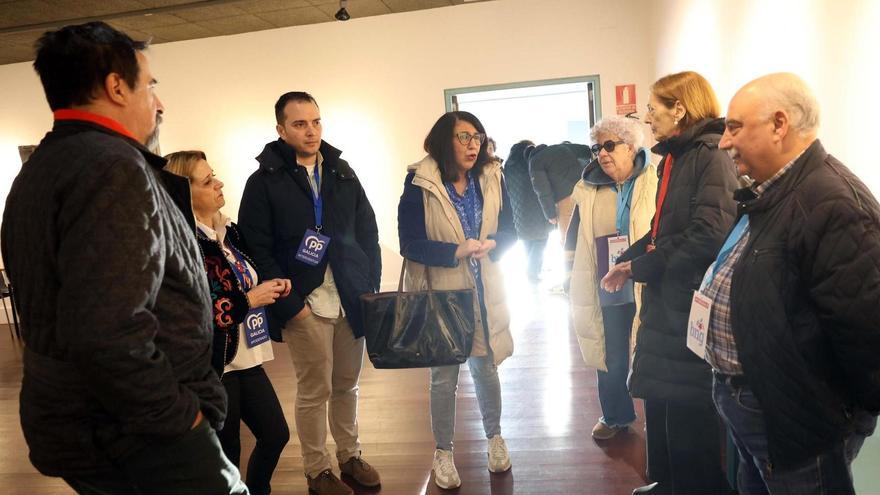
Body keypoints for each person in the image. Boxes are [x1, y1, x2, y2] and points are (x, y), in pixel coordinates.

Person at [0, 22, 247, 494]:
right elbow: (107, 330)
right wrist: (184, 420)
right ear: (116, 86)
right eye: (150, 84)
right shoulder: (112, 168)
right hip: (136, 435)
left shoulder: (39, 171)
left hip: (86, 423)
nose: (159, 102)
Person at [700, 73, 880, 495]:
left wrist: (836, 421)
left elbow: (868, 337)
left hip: (794, 421)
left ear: (779, 125)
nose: (724, 142)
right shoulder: (776, 191)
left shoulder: (832, 204)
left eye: (734, 127)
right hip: (759, 406)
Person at [601, 71, 738, 495]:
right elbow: (663, 228)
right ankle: (669, 484)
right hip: (669, 299)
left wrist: (643, 265)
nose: (645, 116)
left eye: (653, 107)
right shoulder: (678, 155)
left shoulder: (709, 153)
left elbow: (709, 234)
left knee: (688, 413)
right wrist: (631, 258)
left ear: (679, 108)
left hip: (687, 302)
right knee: (663, 404)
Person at [238, 91, 381, 495]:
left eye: (316, 122)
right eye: (300, 124)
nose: (311, 131)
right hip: (305, 302)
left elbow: (368, 230)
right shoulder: (264, 181)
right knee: (314, 389)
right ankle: (317, 469)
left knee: (347, 384)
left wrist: (369, 284)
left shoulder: (341, 172)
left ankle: (349, 455)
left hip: (349, 297)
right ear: (281, 129)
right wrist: (289, 305)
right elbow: (256, 248)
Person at [398, 111, 516, 490]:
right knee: (443, 377)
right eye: (463, 137)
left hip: (485, 289)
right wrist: (455, 250)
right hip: (443, 293)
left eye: (477, 137)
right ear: (443, 140)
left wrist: (494, 244)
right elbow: (409, 243)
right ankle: (443, 452)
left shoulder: (492, 176)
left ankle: (495, 438)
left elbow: (512, 228)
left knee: (487, 367)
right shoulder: (420, 180)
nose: (472, 145)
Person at [165, 150, 292, 495]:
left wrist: (271, 284)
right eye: (207, 181)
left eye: (214, 175)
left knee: (275, 434)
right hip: (215, 364)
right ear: (183, 193)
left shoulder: (228, 232)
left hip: (246, 357)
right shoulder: (181, 246)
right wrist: (251, 299)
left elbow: (245, 277)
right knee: (228, 450)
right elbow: (197, 311)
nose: (219, 183)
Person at [566, 116, 657, 441]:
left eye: (608, 145)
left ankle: (659, 418)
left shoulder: (656, 178)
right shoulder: (588, 187)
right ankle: (615, 414)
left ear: (631, 147)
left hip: (650, 278)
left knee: (653, 349)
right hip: (608, 279)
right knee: (612, 351)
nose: (601, 154)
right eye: (596, 148)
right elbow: (574, 235)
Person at [503, 140, 552, 284]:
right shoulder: (532, 165)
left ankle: (532, 271)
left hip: (518, 214)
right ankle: (532, 272)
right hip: (537, 212)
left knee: (528, 244)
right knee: (540, 242)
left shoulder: (508, 168)